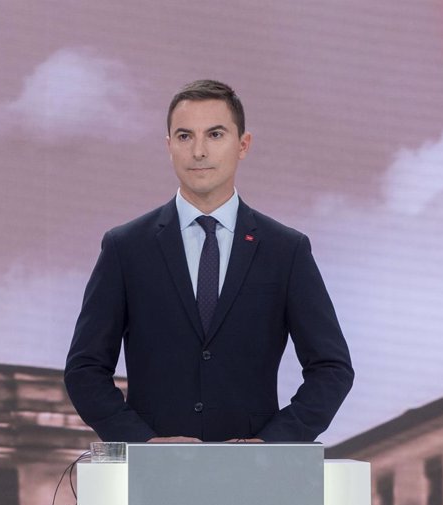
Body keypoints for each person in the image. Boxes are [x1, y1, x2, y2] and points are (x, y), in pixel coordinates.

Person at [64, 79, 353, 443]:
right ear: (168, 146)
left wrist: (274, 443)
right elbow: (84, 369)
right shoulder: (126, 247)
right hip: (153, 477)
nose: (198, 151)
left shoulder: (286, 250)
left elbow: (332, 368)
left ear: (243, 144)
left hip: (255, 476)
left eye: (215, 135)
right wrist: (143, 443)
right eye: (185, 136)